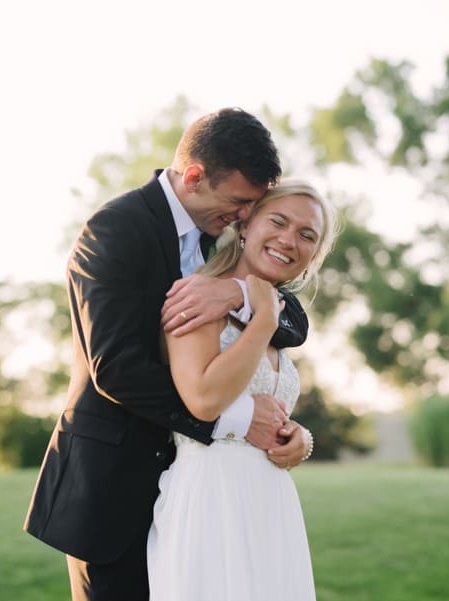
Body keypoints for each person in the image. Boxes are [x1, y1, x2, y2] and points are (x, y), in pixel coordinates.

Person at [23, 108, 315, 601]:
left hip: (200, 497)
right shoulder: (114, 231)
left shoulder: (222, 233)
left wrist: (237, 296)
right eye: (241, 202)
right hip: (113, 488)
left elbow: (294, 322)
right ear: (195, 177)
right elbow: (115, 369)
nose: (246, 216)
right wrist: (239, 420)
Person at [147, 180, 339, 601]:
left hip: (271, 503)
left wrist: (299, 439)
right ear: (247, 224)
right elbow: (204, 399)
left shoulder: (276, 312)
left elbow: (266, 407)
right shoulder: (198, 295)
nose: (289, 239)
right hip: (211, 497)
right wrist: (264, 321)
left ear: (312, 257)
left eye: (307, 235)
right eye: (279, 221)